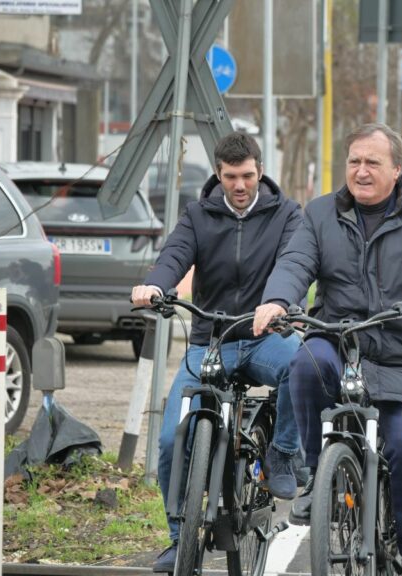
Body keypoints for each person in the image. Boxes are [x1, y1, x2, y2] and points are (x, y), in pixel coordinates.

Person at [253, 123, 402, 576]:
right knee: (306, 361)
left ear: (396, 170)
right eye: (354, 161)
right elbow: (296, 262)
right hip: (340, 339)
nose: (361, 170)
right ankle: (319, 475)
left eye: (373, 162)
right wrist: (276, 300)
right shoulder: (319, 214)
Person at [130, 132, 303, 573]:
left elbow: (292, 264)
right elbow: (174, 255)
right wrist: (156, 284)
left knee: (302, 366)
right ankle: (177, 540)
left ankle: (282, 451)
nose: (239, 185)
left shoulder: (286, 215)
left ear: (259, 172)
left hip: (265, 335)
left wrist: (280, 304)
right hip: (210, 340)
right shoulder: (198, 214)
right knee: (171, 437)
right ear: (219, 174)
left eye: (247, 175)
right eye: (230, 176)